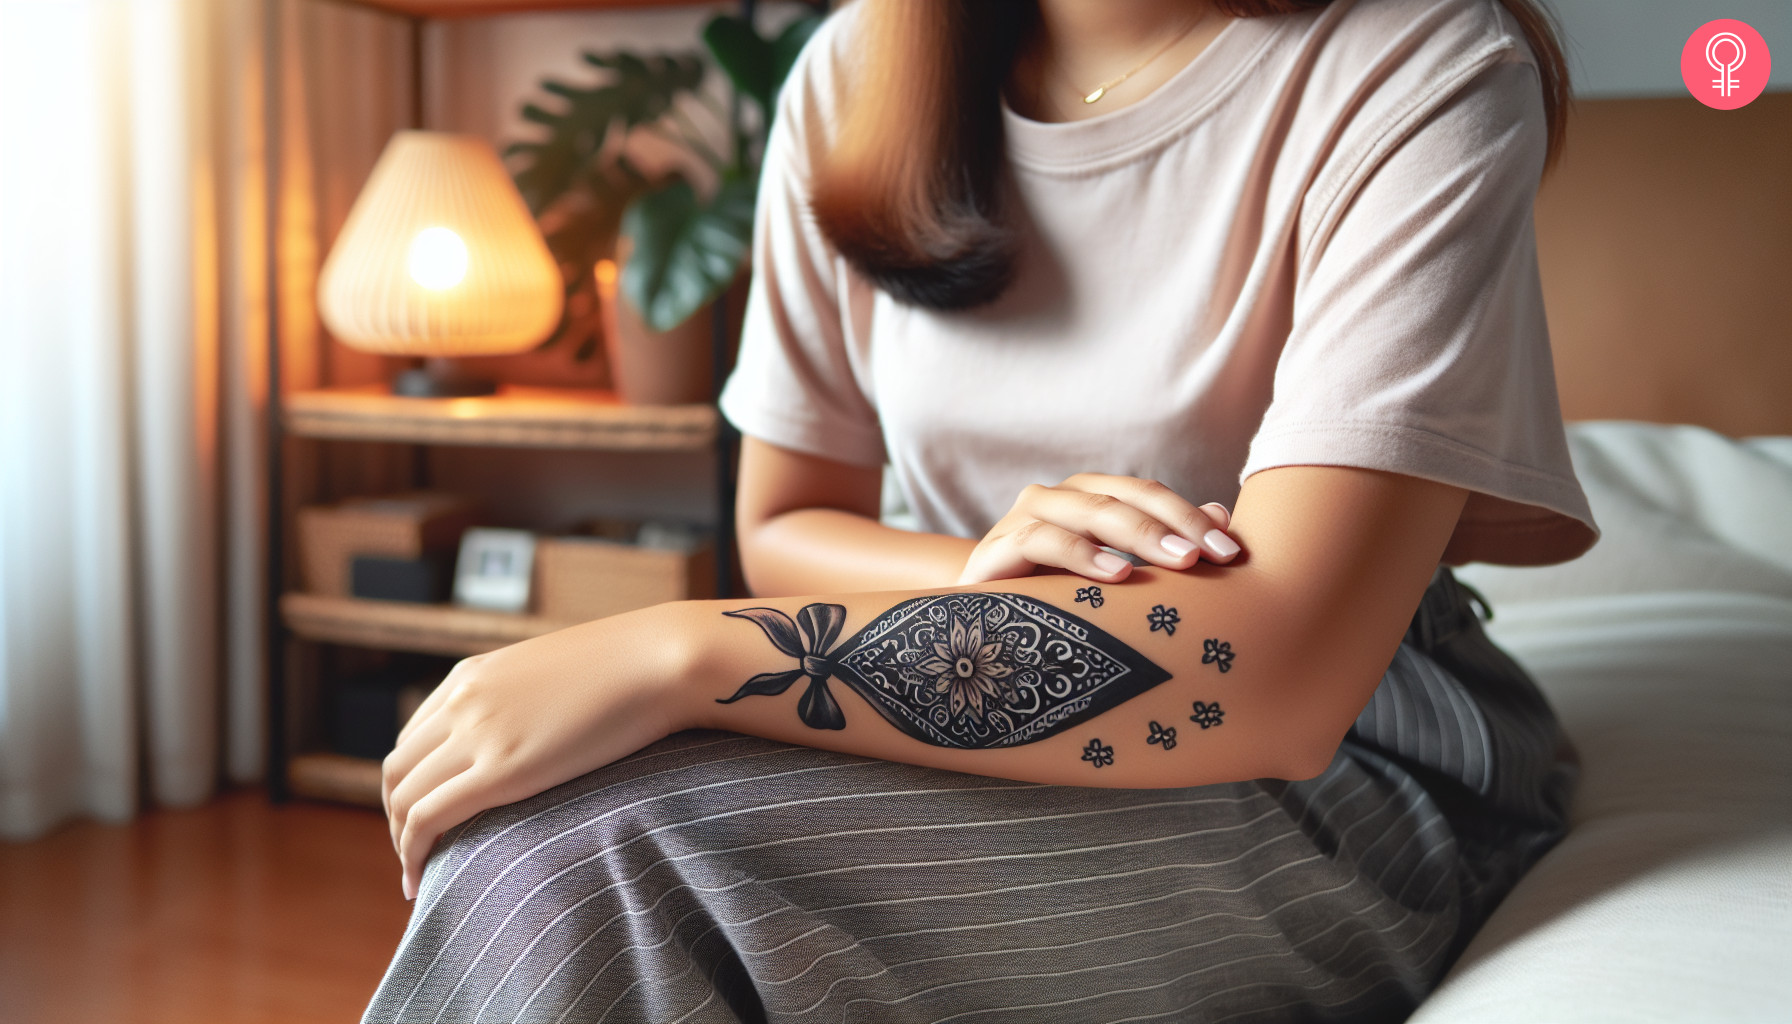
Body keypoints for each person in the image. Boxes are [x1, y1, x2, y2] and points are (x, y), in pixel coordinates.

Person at [366, 0, 1597, 1019]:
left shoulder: (1420, 63)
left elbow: (1264, 674)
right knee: (531, 851)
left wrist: (677, 651)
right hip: (967, 687)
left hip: (1352, 746)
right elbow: (785, 521)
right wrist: (980, 569)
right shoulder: (855, 71)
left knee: (592, 875)